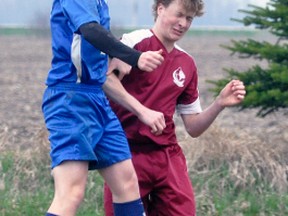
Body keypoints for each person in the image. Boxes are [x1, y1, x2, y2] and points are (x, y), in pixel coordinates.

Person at [103, 0, 246, 215]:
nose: (183, 23)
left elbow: (193, 128)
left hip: (167, 156)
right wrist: (143, 111)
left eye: (189, 18)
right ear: (160, 9)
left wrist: (219, 104)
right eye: (178, 14)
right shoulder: (133, 43)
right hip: (126, 153)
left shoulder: (187, 63)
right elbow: (104, 80)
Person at [42, 0, 166, 216]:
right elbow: (90, 30)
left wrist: (113, 57)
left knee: (126, 184)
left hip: (97, 97)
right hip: (71, 99)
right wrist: (134, 57)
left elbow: (86, 46)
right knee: (71, 193)